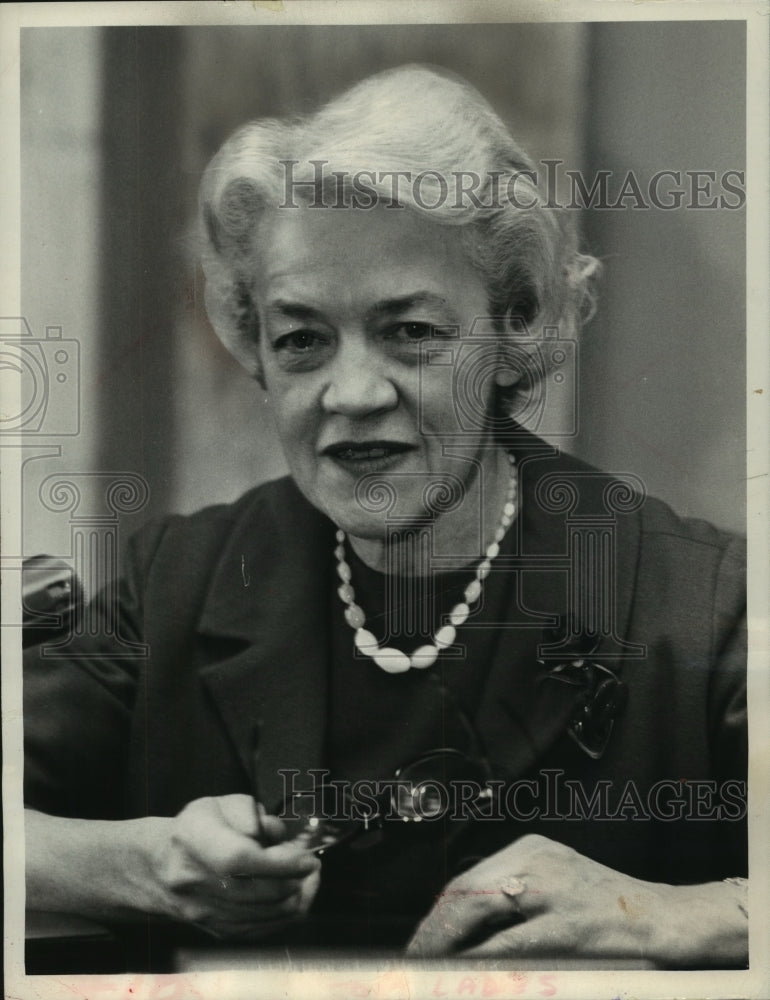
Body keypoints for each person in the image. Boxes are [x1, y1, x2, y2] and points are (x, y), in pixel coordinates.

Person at [23, 65, 747, 967]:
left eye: (411, 332)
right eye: (301, 340)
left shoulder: (702, 608)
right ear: (256, 351)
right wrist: (136, 862)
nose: (352, 393)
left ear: (514, 329)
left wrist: (681, 912)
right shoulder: (176, 584)